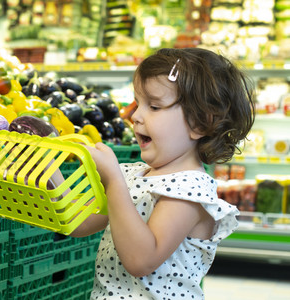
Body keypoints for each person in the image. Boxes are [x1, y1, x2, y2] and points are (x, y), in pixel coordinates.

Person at [70, 47, 255, 299]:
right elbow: (80, 222)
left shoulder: (188, 189)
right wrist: (48, 175)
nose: (135, 116)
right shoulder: (135, 175)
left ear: (200, 122)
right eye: (138, 103)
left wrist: (113, 182)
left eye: (154, 107)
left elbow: (141, 260)